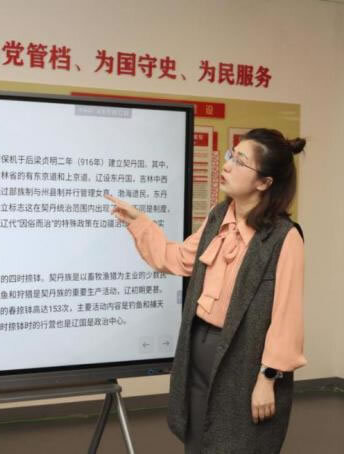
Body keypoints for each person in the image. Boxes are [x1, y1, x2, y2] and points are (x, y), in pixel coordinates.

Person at [104, 128, 307, 453]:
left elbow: (286, 317)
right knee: (198, 438)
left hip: (244, 358)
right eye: (230, 156)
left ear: (264, 182)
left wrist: (268, 378)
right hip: (197, 347)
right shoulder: (217, 217)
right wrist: (139, 221)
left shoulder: (285, 237)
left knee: (238, 442)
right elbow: (177, 259)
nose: (227, 165)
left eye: (240, 161)